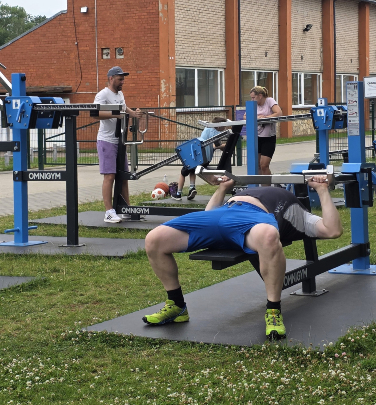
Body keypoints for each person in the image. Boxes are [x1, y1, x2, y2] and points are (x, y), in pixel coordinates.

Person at [142, 173, 342, 340]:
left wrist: (322, 189)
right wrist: (222, 188)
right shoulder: (237, 194)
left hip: (254, 220)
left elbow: (332, 230)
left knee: (269, 236)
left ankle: (273, 311)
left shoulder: (297, 211)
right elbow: (210, 212)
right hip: (223, 212)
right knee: (154, 239)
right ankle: (177, 306)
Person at [94, 66, 145, 223]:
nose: (122, 81)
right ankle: (109, 212)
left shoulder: (120, 94)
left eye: (123, 79)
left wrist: (133, 114)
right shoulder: (103, 94)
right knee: (109, 176)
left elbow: (123, 108)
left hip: (120, 141)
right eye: (120, 79)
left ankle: (125, 209)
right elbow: (95, 113)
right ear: (111, 79)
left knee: (123, 177)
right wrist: (115, 114)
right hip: (107, 140)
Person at [171, 117, 229, 201]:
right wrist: (226, 145)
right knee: (191, 170)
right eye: (224, 126)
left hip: (198, 156)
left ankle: (179, 194)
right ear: (219, 126)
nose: (225, 128)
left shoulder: (208, 128)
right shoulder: (216, 132)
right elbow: (218, 146)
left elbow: (215, 145)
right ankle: (190, 189)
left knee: (185, 171)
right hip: (204, 158)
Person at [249, 86, 282, 183]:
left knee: (264, 165)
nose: (252, 100)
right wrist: (257, 117)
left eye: (253, 97)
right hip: (257, 137)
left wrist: (266, 117)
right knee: (258, 165)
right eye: (251, 98)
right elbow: (245, 115)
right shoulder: (253, 105)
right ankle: (262, 188)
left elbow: (278, 112)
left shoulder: (269, 101)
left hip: (268, 138)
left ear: (260, 96)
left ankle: (269, 189)